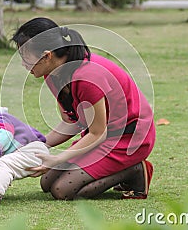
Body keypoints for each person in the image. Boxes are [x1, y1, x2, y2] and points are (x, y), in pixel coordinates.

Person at [11, 17, 156, 200]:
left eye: (26, 58)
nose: (24, 64)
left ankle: (134, 171)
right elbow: (72, 122)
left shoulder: (87, 77)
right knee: (47, 182)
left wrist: (57, 158)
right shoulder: (52, 74)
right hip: (102, 135)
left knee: (62, 191)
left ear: (47, 55)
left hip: (128, 140)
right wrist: (37, 144)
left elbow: (97, 133)